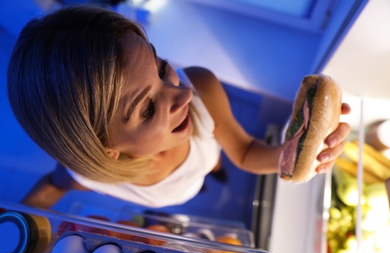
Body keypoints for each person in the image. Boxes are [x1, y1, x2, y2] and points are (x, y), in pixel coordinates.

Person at [7, 5, 351, 209]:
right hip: (179, 191)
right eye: (147, 108)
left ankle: (213, 167)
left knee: (215, 157)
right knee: (201, 174)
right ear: (105, 149)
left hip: (207, 150)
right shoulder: (88, 174)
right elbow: (50, 187)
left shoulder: (201, 89)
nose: (182, 94)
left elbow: (245, 151)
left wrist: (300, 149)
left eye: (160, 67)